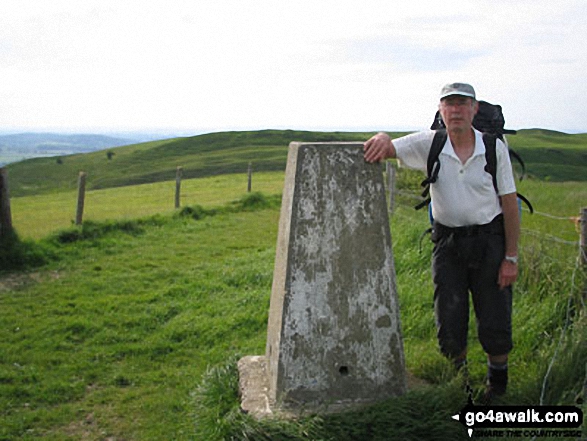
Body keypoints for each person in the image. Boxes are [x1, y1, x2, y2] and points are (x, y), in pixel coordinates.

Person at [364, 83, 520, 401]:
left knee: (495, 317)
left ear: (475, 109)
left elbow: (510, 204)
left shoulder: (492, 148)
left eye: (463, 104)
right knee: (449, 318)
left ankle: (497, 387)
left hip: (490, 243)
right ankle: (458, 385)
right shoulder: (430, 144)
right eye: (449, 105)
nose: (456, 110)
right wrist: (381, 137)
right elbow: (389, 147)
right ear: (441, 111)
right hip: (448, 245)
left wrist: (511, 258)